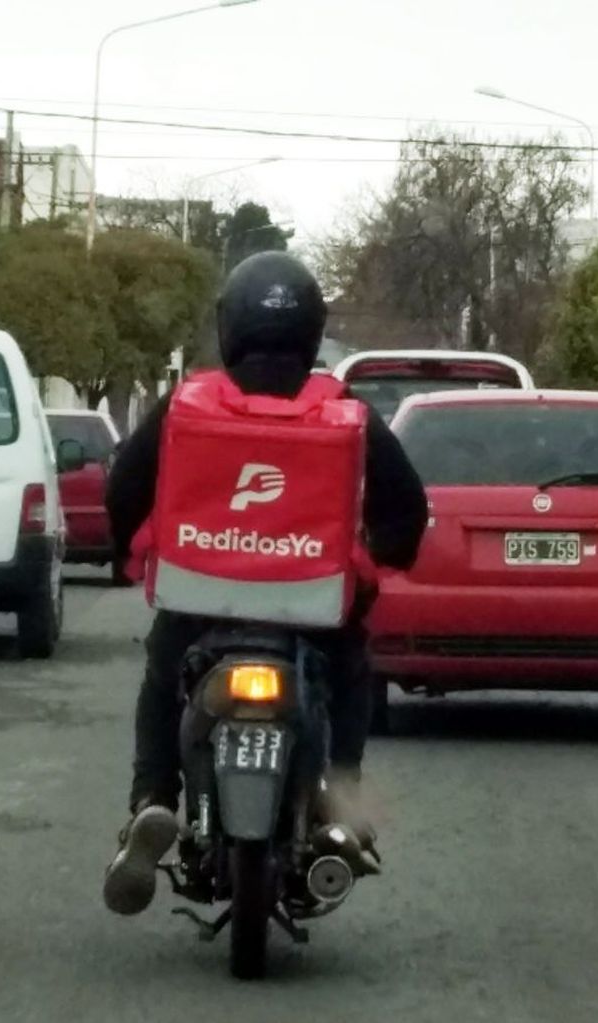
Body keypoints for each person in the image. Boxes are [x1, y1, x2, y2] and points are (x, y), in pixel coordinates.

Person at [101, 252, 428, 916]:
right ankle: (340, 804)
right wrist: (383, 560)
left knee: (165, 677)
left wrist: (126, 554)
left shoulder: (188, 403)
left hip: (199, 608)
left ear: (230, 325)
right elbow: (407, 509)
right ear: (312, 329)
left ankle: (154, 799)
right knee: (350, 672)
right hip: (314, 614)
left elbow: (122, 490)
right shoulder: (345, 412)